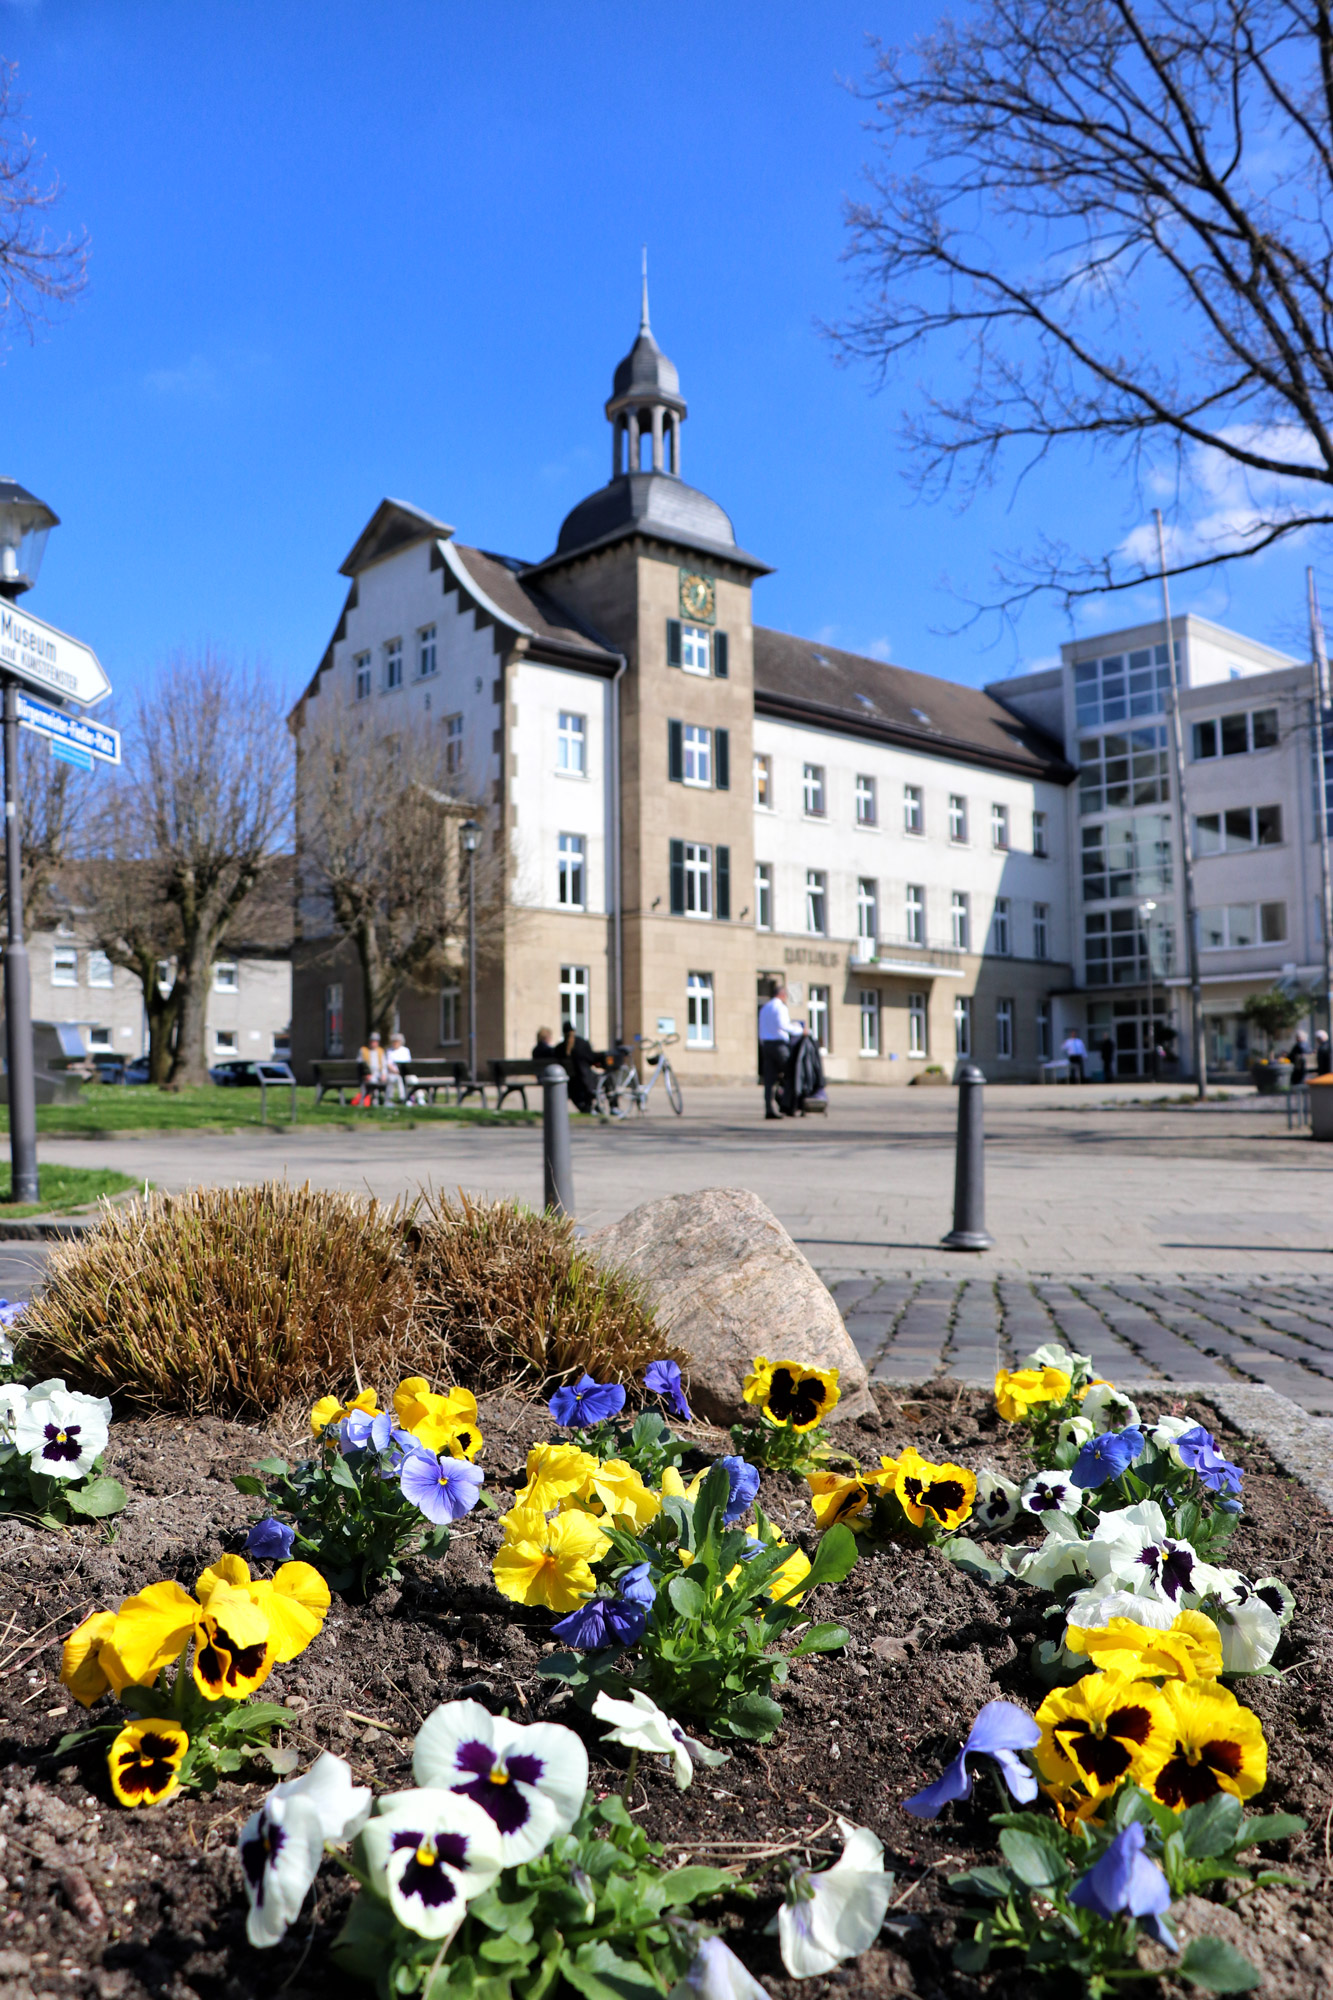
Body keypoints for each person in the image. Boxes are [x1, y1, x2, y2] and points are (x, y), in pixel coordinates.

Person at [757, 981, 791, 1120]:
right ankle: (788, 1104)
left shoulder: (765, 1008)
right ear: (782, 994)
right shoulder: (780, 1007)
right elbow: (783, 1025)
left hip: (766, 1046)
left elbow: (760, 1029)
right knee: (791, 1073)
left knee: (769, 1080)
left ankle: (769, 1109)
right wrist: (800, 1030)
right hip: (779, 1045)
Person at [355, 1032, 386, 1106]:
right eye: (372, 1041)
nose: (373, 1043)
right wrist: (365, 1074)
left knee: (388, 1080)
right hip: (368, 1074)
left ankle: (385, 1100)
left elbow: (384, 1065)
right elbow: (360, 1065)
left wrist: (384, 1074)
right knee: (373, 1081)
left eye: (375, 1041)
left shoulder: (380, 1051)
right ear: (369, 1041)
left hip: (378, 1073)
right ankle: (374, 1100)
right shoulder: (363, 1050)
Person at [386, 1031, 416, 1104]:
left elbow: (408, 1063)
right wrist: (396, 1071)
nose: (395, 1043)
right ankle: (402, 1098)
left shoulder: (405, 1050)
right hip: (394, 1073)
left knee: (414, 1080)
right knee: (399, 1078)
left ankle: (415, 1097)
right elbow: (388, 1064)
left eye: (397, 1041)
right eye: (394, 1041)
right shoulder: (389, 1051)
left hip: (405, 1072)